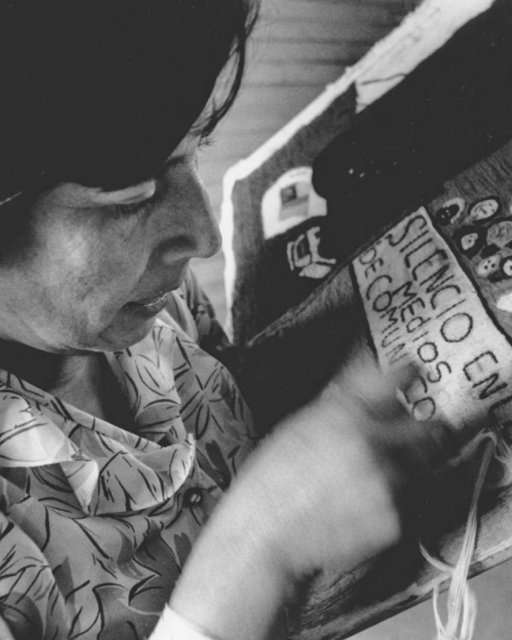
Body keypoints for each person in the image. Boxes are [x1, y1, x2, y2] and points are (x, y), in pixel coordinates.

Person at [0, 2, 464, 639]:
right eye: (130, 199)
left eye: (196, 152)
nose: (203, 236)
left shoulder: (138, 301)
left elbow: (225, 385)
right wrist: (256, 550)